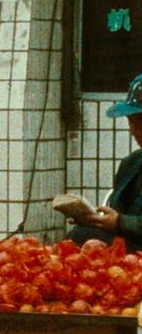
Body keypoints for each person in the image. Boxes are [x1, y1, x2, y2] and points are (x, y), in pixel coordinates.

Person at [67, 73, 142, 250]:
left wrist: (122, 223)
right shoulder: (131, 164)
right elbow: (116, 216)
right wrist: (95, 220)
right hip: (129, 249)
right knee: (78, 237)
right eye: (132, 122)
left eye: (141, 122)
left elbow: (121, 222)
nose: (135, 131)